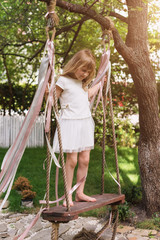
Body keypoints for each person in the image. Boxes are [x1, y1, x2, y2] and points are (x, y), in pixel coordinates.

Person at [52, 49, 101, 207]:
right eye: (83, 70)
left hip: (84, 122)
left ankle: (80, 192)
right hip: (70, 123)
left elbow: (85, 96)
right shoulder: (63, 80)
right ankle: (68, 194)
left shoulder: (82, 83)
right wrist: (48, 94)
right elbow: (53, 100)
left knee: (85, 160)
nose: (85, 74)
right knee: (72, 160)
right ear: (75, 65)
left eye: (88, 72)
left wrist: (100, 84)